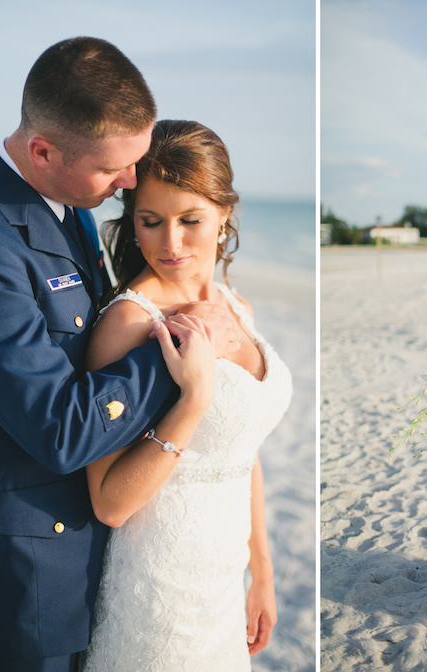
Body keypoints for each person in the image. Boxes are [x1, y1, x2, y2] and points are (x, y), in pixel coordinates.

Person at [0, 38, 236, 671]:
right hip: (34, 574)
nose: (129, 183)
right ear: (43, 151)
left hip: (114, 552)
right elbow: (59, 429)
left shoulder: (70, 201)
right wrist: (186, 344)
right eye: (115, 169)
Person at [79, 120, 292, 671]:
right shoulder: (128, 323)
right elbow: (109, 501)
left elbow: (243, 450)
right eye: (150, 222)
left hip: (225, 579)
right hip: (160, 583)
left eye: (190, 220)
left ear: (225, 214)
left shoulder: (233, 303)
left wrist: (262, 572)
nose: (170, 244)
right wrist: (193, 401)